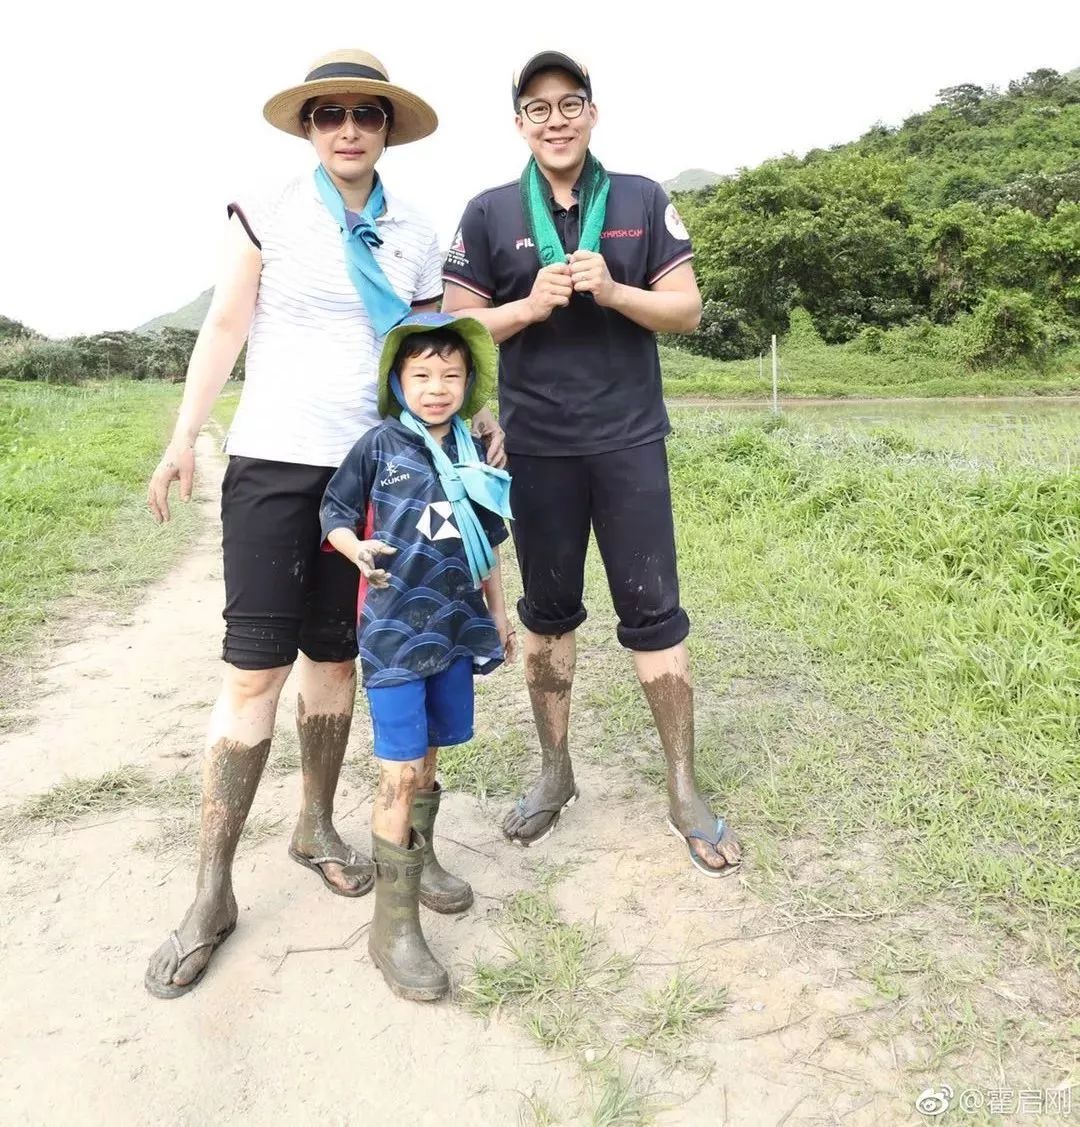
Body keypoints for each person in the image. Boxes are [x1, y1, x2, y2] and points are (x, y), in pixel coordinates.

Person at [144, 50, 504, 1000]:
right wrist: (188, 436)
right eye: (329, 114)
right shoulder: (267, 208)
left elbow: (428, 356)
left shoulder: (419, 230)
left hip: (382, 473)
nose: (348, 128)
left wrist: (467, 432)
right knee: (255, 669)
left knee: (344, 660)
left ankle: (318, 823)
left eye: (367, 114)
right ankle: (212, 890)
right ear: (308, 127)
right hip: (272, 462)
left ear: (388, 128)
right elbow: (226, 324)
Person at [441, 51, 742, 876]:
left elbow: (685, 308)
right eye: (536, 109)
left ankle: (683, 787)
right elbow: (457, 332)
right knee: (547, 616)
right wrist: (529, 306)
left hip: (630, 440)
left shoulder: (642, 199)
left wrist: (613, 292)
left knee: (656, 613)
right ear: (519, 126)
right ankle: (554, 771)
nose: (555, 119)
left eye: (568, 103)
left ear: (592, 112)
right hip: (535, 448)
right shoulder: (489, 212)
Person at [320, 312, 515, 999]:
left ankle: (422, 857)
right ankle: (392, 927)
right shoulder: (379, 445)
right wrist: (356, 551)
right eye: (422, 374)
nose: (437, 388)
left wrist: (497, 611)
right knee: (399, 770)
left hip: (455, 631)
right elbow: (334, 512)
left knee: (431, 755)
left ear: (469, 383)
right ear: (398, 381)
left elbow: (486, 543)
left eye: (451, 375)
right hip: (396, 636)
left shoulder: (475, 452)